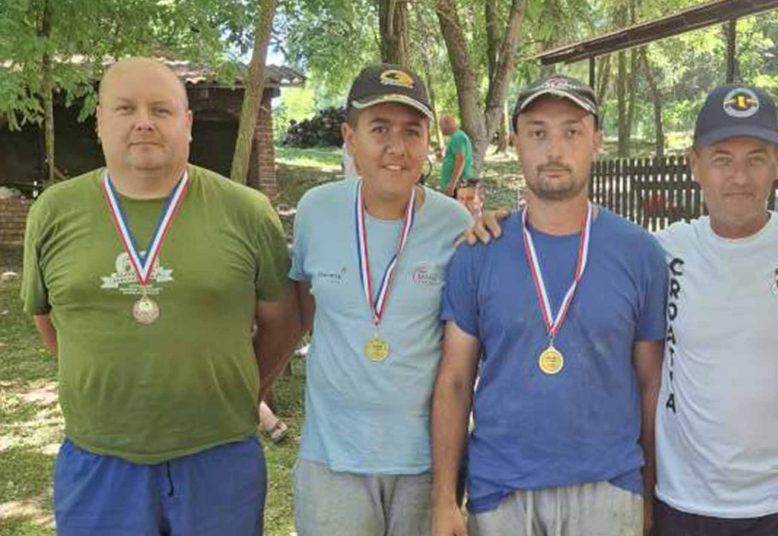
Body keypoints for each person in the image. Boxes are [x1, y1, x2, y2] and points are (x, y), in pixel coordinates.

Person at [20, 57, 299, 535]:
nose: (144, 121)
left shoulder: (247, 212)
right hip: (99, 458)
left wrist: (239, 391)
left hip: (219, 456)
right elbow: (48, 319)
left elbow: (284, 322)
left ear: (187, 123)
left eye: (161, 109)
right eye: (125, 108)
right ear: (100, 122)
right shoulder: (53, 212)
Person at [431, 74, 667, 536]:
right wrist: (443, 500)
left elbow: (651, 385)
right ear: (516, 142)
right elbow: (455, 382)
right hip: (501, 491)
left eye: (571, 132)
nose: (554, 149)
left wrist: (649, 490)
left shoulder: (640, 253)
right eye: (538, 132)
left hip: (609, 486)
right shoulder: (478, 254)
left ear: (596, 141)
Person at [653, 85, 778, 535]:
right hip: (685, 500)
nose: (740, 177)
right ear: (695, 164)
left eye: (756, 159)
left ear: (777, 164)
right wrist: (504, 229)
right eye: (722, 159)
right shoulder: (662, 251)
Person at [289, 63, 473, 536]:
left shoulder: (456, 224)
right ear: (350, 138)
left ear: (429, 142)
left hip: (424, 465)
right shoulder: (315, 211)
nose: (397, 147)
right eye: (379, 129)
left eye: (412, 131)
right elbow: (305, 310)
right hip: (332, 460)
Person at [439, 114, 474, 197]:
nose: (440, 129)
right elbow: (454, 159)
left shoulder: (458, 137)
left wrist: (452, 184)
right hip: (456, 184)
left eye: (441, 126)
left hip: (458, 185)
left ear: (448, 123)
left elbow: (460, 160)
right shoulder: (456, 137)